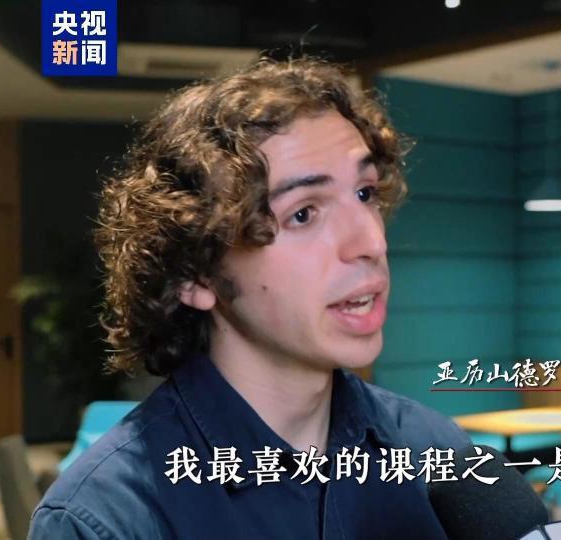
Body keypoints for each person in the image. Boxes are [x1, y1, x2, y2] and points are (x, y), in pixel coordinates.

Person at [29, 56, 471, 539]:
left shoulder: (438, 456)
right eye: (303, 214)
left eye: (365, 194)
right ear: (195, 275)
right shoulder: (106, 519)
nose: (371, 241)